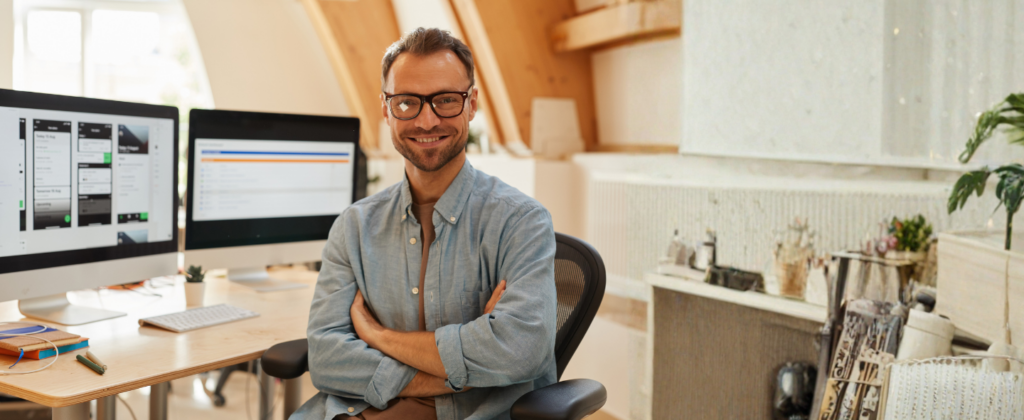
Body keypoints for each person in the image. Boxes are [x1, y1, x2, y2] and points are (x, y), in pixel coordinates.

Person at [290, 27, 558, 420]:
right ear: (385, 109)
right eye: (407, 103)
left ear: (472, 104)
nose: (427, 120)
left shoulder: (522, 222)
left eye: (446, 100)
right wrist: (460, 370)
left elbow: (520, 351)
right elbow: (327, 358)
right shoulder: (354, 227)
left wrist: (378, 337)